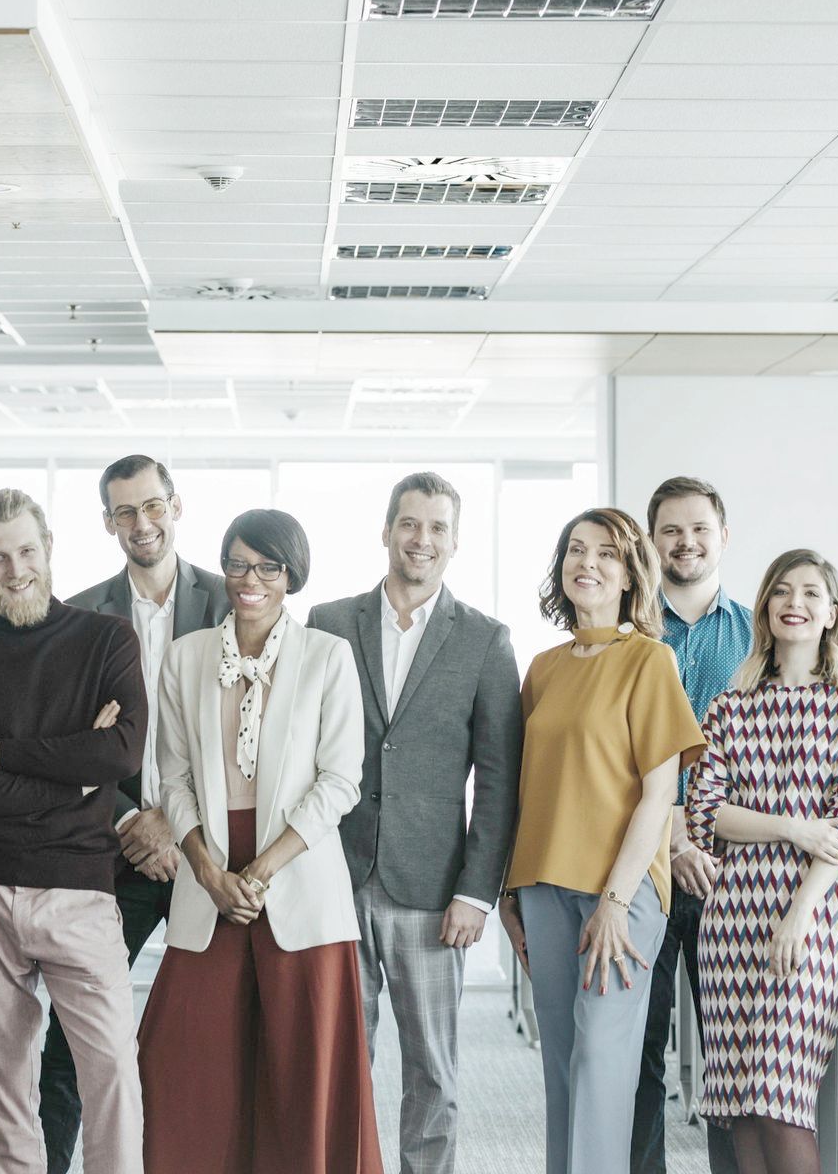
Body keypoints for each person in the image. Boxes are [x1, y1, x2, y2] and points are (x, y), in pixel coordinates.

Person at [138, 508, 382, 1173]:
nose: (252, 579)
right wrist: (212, 874)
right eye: (239, 563)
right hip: (207, 875)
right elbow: (173, 775)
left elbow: (340, 781)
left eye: (269, 566)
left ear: (291, 575)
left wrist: (260, 872)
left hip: (298, 876)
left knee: (304, 1073)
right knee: (177, 1057)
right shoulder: (186, 658)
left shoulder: (326, 656)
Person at [306, 472, 522, 1174]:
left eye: (435, 528)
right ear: (386, 531)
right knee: (340, 1065)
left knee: (433, 1071)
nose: (420, 539)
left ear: (454, 542)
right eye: (409, 523)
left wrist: (476, 890)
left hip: (434, 893)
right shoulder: (330, 623)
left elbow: (498, 779)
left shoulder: (486, 641)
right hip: (336, 880)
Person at [0, 488, 146, 1174]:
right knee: (3, 1086)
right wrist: (73, 774)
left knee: (112, 1068)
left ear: (49, 547)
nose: (16, 569)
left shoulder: (106, 639)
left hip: (82, 892)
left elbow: (120, 754)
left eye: (26, 550)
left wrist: (5, 753)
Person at [499, 507, 707, 1174]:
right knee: (560, 1062)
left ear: (629, 576)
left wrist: (616, 900)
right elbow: (528, 786)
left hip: (621, 893)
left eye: (607, 555)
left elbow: (659, 793)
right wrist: (509, 886)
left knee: (602, 1061)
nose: (587, 564)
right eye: (576, 551)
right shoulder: (542, 669)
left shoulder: (650, 660)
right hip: (542, 883)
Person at [685, 549, 838, 1174]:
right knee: (740, 1102)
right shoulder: (732, 707)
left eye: (811, 593)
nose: (795, 603)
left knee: (781, 1097)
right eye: (782, 591)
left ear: (832, 614)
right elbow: (706, 811)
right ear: (765, 609)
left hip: (810, 917)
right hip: (731, 917)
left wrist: (799, 913)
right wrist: (794, 827)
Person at [42, 454, 228, 1171]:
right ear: (107, 522)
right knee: (74, 1037)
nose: (141, 523)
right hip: (113, 852)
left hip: (210, 854)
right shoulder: (82, 615)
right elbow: (65, 743)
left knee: (214, 1039)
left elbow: (256, 738)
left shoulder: (232, 600)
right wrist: (133, 820)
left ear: (176, 506)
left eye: (152, 506)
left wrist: (182, 828)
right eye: (125, 511)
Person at [637, 476, 754, 1174]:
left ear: (723, 537)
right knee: (639, 1052)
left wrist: (698, 831)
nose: (686, 542)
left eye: (699, 529)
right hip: (641, 869)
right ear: (652, 542)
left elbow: (771, 758)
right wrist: (671, 836)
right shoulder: (628, 632)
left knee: (730, 1058)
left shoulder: (756, 635)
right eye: (671, 531)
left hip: (732, 871)